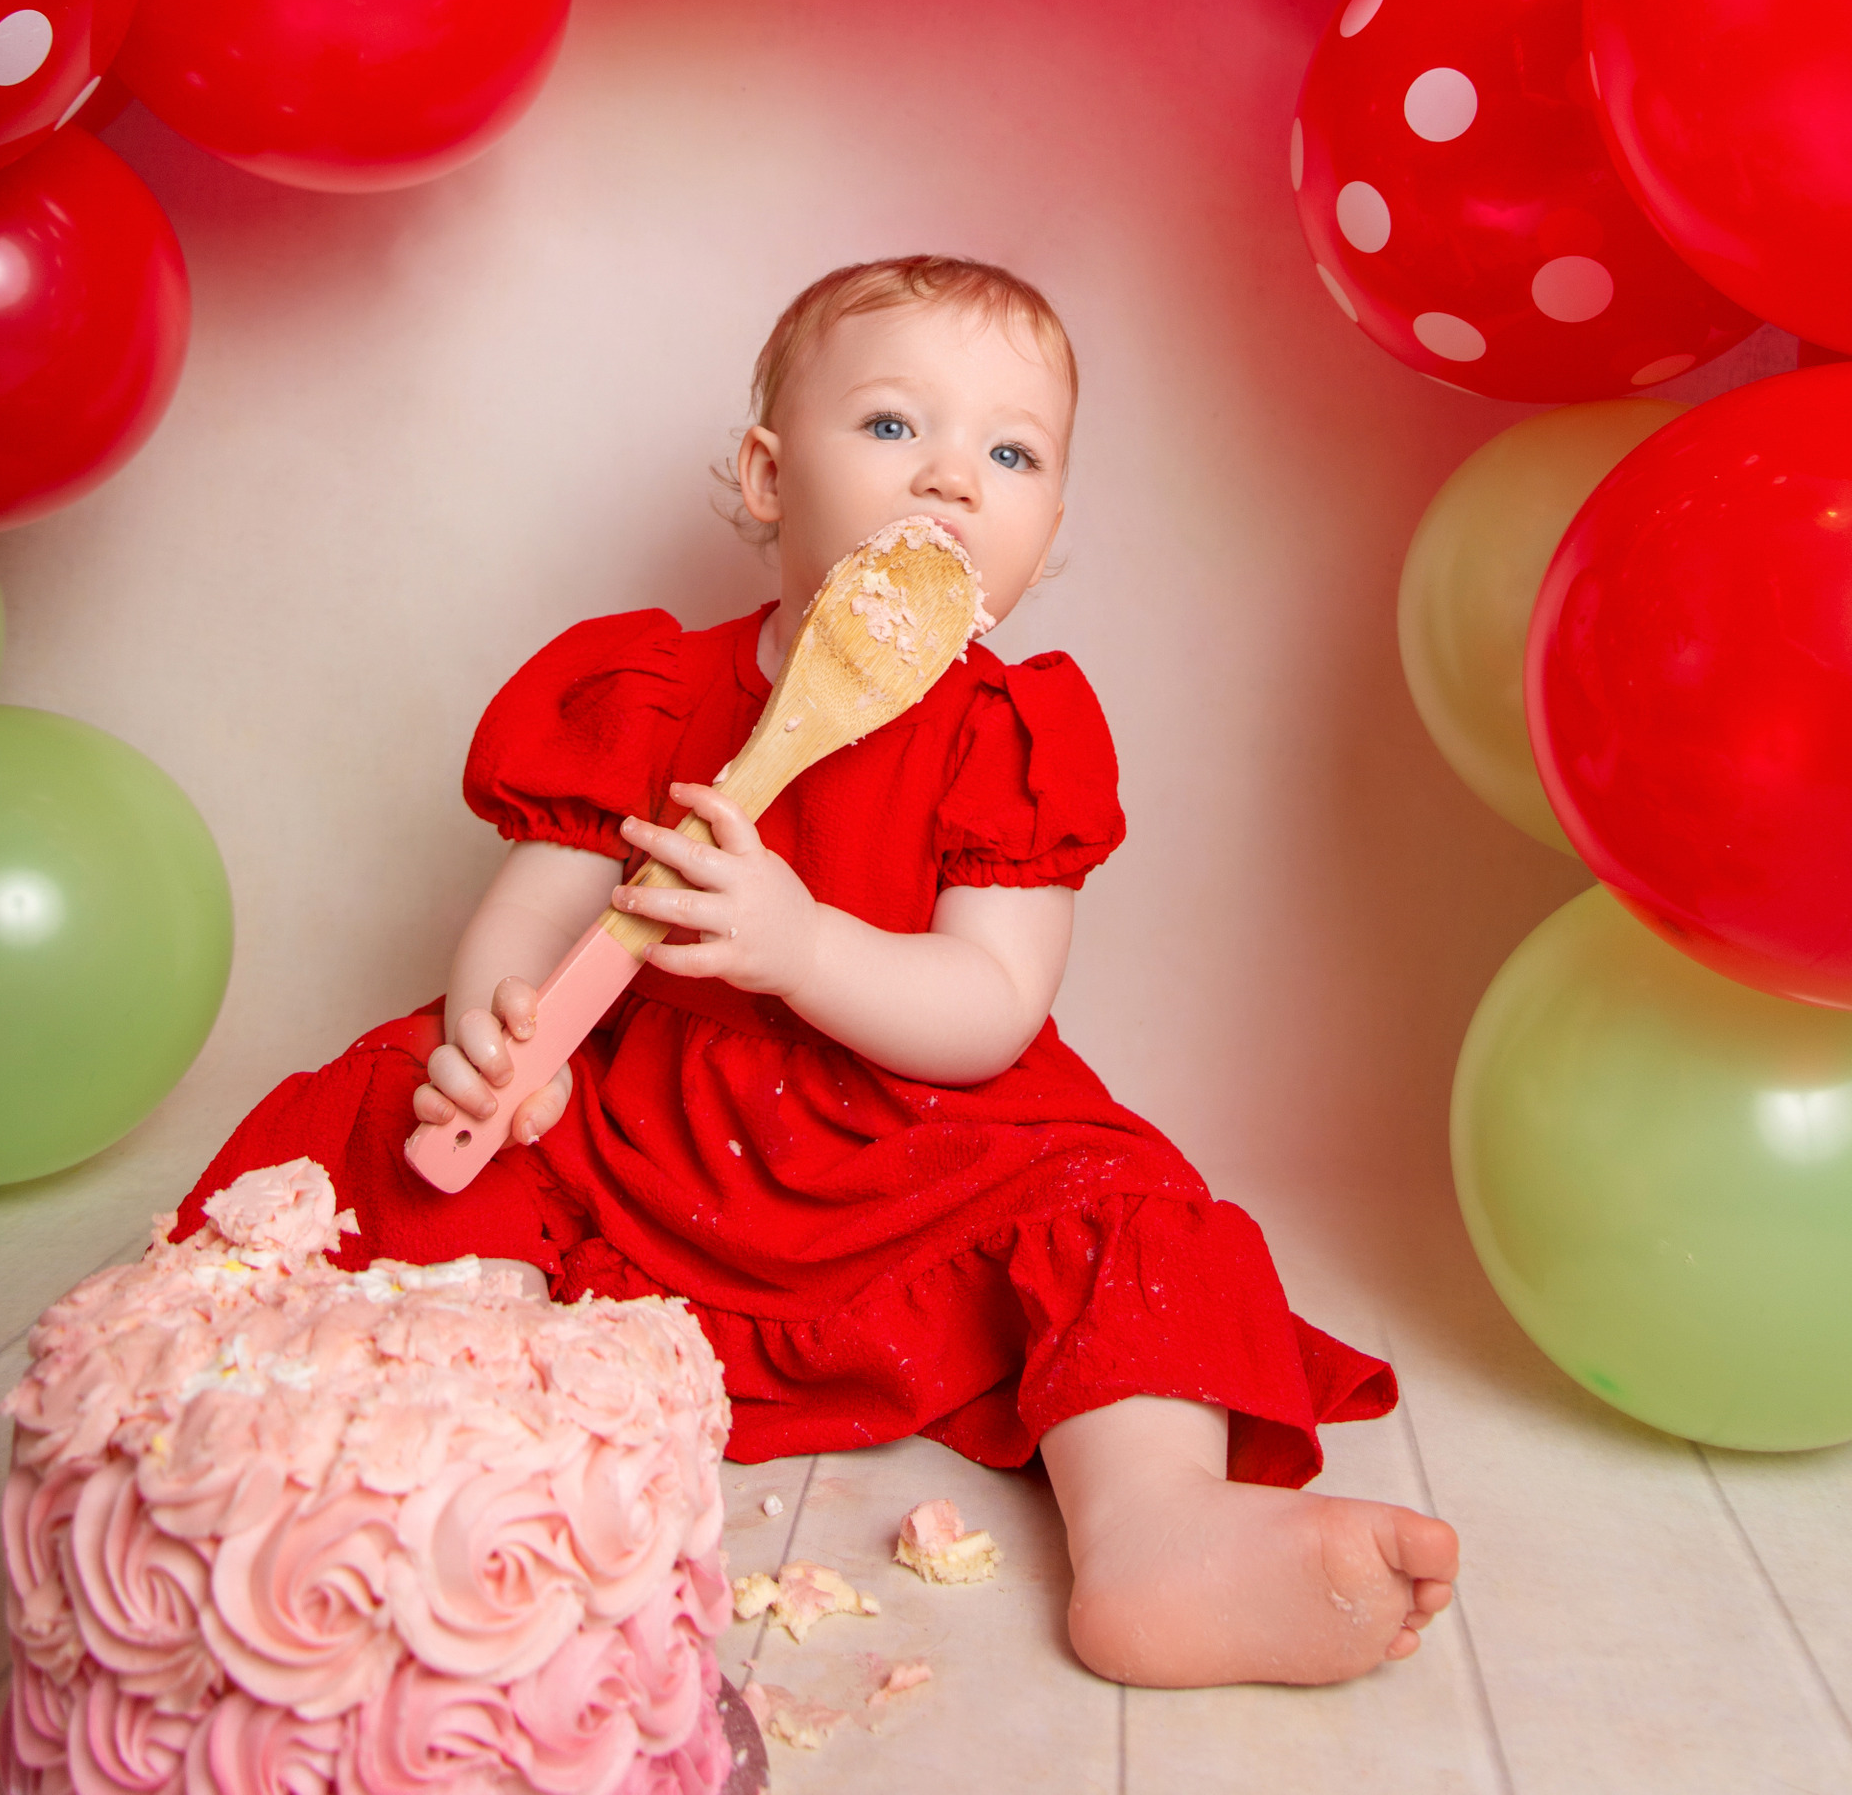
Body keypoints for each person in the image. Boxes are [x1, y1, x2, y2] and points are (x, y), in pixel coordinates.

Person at [178, 254, 1458, 1688]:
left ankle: (1157, 1531)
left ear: (1050, 524)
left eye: (1014, 452)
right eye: (897, 427)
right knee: (406, 1118)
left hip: (911, 1131)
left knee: (1132, 1219)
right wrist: (500, 1033)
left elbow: (989, 1011)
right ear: (770, 475)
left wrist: (804, 948)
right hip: (636, 1109)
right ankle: (424, 1431)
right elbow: (538, 918)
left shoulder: (1009, 731)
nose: (955, 480)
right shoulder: (652, 689)